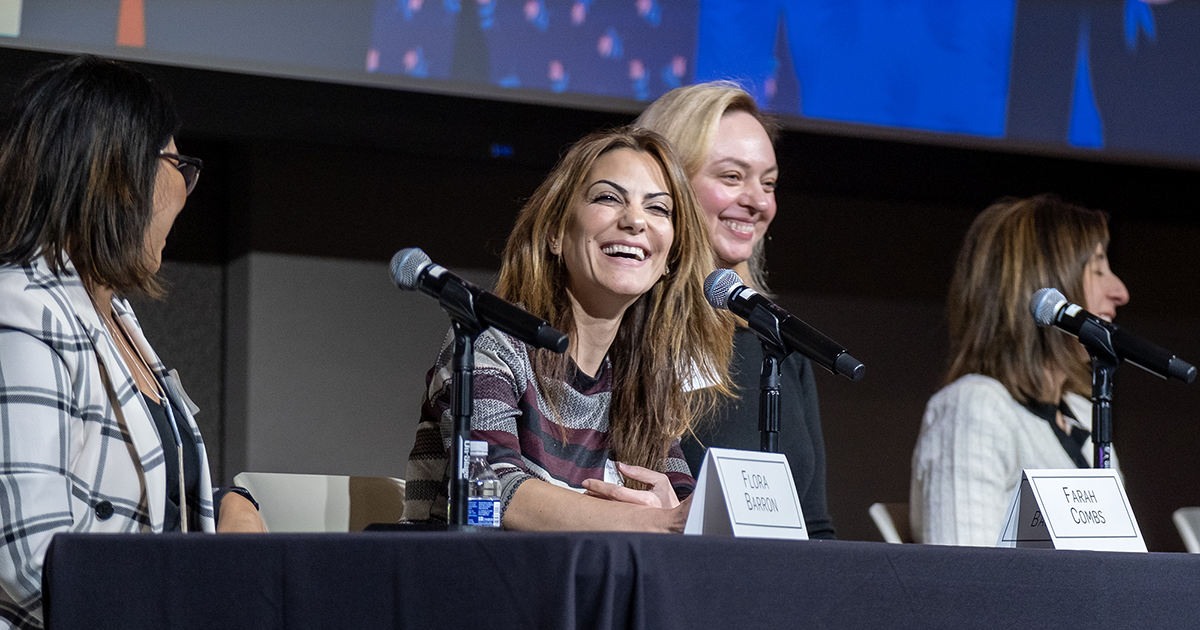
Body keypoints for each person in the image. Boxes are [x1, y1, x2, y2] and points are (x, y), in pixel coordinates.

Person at [0, 55, 265, 630]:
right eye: (177, 164)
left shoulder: (114, 312)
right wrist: (195, 597)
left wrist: (224, 504)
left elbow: (138, 496)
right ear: (116, 173)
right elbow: (27, 560)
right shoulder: (20, 309)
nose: (187, 190)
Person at [404, 127, 733, 531]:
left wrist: (678, 506)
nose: (634, 221)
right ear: (555, 233)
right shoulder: (490, 340)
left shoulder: (644, 380)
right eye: (608, 198)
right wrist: (656, 521)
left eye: (659, 208)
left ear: (670, 257)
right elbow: (492, 492)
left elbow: (681, 508)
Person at [635, 81, 836, 538]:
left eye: (768, 183)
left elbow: (816, 526)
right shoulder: (621, 332)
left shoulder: (777, 341)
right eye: (731, 177)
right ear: (668, 182)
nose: (759, 202)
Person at [909, 194, 1130, 546]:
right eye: (1098, 269)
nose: (1120, 291)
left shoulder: (1084, 414)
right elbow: (965, 584)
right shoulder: (976, 409)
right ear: (1045, 284)